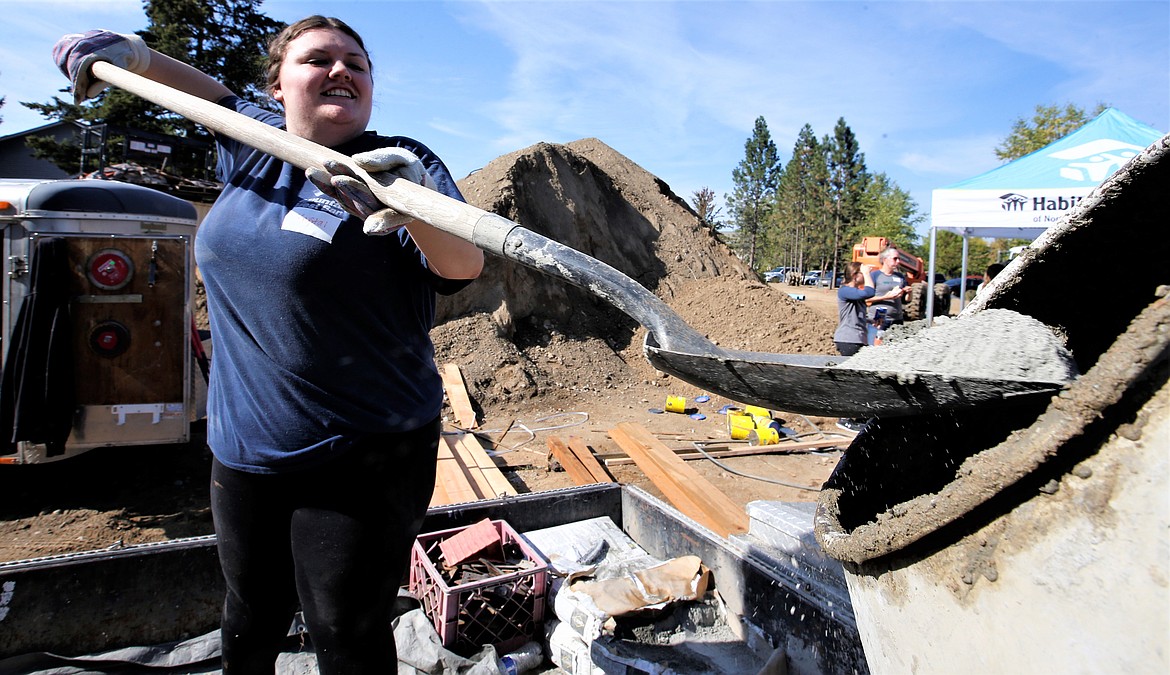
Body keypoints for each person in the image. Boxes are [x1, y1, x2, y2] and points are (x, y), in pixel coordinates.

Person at [55, 17, 484, 674]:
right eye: (318, 59)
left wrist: (411, 203)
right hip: (245, 446)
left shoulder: (402, 161)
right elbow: (205, 92)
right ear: (278, 88)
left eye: (356, 62)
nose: (342, 69)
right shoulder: (257, 146)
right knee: (250, 611)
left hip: (365, 450)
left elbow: (462, 266)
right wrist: (130, 53)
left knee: (345, 626)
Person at [833, 262, 897, 433]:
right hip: (848, 339)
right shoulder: (845, 290)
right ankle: (844, 418)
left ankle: (858, 415)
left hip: (857, 338)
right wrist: (867, 273)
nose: (865, 276)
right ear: (855, 275)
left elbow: (855, 316)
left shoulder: (855, 295)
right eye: (861, 273)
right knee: (850, 380)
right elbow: (870, 292)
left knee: (859, 379)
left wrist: (872, 321)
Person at [865, 247, 910, 345]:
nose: (898, 261)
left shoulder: (900, 277)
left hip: (896, 319)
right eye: (895, 258)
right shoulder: (875, 275)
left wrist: (908, 292)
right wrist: (886, 297)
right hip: (879, 318)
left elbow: (906, 300)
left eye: (899, 259)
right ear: (885, 259)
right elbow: (866, 299)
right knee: (875, 348)